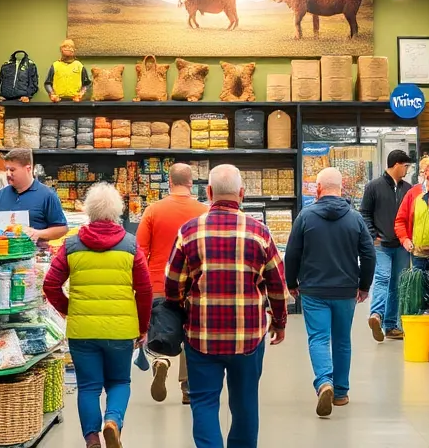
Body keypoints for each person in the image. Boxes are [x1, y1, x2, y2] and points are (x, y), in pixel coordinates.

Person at [164, 164, 289, 448]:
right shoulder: (260, 233)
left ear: (208, 192)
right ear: (241, 194)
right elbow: (278, 286)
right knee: (245, 405)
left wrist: (184, 307)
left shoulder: (189, 232)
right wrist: (279, 322)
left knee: (204, 402)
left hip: (201, 336)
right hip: (248, 336)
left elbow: (172, 284)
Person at [43, 182, 153, 448]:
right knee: (119, 381)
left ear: (88, 211)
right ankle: (112, 421)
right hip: (120, 329)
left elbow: (50, 285)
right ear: (117, 211)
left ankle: (92, 438)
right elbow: (145, 289)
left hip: (83, 331)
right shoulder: (130, 245)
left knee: (89, 387)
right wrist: (142, 326)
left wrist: (71, 309)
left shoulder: (71, 245)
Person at [283, 167, 375, 418]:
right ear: (341, 188)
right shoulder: (355, 218)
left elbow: (292, 253)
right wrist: (364, 285)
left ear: (318, 189)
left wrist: (291, 282)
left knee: (319, 338)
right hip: (346, 290)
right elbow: (368, 254)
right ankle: (342, 392)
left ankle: (324, 381)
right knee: (343, 340)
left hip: (313, 289)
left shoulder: (305, 216)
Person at [135, 162, 207, 405]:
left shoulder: (153, 211)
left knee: (160, 329)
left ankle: (160, 361)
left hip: (158, 283)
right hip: (194, 284)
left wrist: (139, 285)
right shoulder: (203, 211)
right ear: (190, 183)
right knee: (191, 335)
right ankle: (188, 388)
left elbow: (140, 251)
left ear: (169, 182)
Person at [359, 148, 413, 341]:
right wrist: (372, 234)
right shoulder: (373, 187)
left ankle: (390, 325)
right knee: (382, 278)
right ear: (397, 164)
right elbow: (364, 212)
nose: (407, 169)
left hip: (401, 244)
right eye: (406, 165)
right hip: (381, 244)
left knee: (397, 284)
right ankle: (376, 315)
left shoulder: (409, 189)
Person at [0, 148, 68, 243]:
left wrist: (37, 233)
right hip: (2, 253)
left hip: (33, 254)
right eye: (6, 169)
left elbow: (62, 229)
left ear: (28, 169)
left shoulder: (47, 195)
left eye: (12, 170)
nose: (8, 174)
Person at [45, 38, 91, 102]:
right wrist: (52, 94)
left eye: (71, 47)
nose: (68, 49)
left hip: (75, 101)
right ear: (61, 49)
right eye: (65, 46)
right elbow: (47, 83)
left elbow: (86, 84)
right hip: (58, 101)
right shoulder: (55, 65)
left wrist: (82, 93)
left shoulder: (79, 66)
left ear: (74, 50)